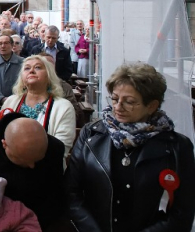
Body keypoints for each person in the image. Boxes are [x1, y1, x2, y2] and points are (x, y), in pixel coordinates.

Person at [66, 63, 195, 231]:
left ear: (152, 106)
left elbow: (182, 212)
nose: (118, 107)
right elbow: (71, 193)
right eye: (114, 98)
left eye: (129, 102)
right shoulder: (91, 134)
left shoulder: (177, 147)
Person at [0, 56, 76, 157]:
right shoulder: (10, 102)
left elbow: (61, 147)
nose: (31, 70)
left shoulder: (63, 107)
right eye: (27, 68)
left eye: (38, 67)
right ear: (21, 78)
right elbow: (0, 137)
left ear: (49, 76)